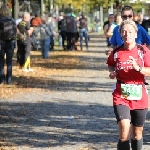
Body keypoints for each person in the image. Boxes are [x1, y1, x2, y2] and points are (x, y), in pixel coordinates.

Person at [107, 20, 150, 150]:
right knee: (124, 131)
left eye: (130, 31)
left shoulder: (143, 51)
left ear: (136, 34)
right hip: (121, 94)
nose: (127, 34)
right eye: (124, 32)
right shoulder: (116, 52)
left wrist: (138, 68)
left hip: (139, 93)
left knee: (137, 134)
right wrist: (112, 72)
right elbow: (110, 64)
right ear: (120, 34)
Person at [0, 5, 16, 84]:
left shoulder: (0, 20)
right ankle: (9, 80)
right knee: (9, 62)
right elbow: (15, 32)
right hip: (10, 42)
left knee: (1, 61)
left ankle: (1, 80)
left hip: (1, 42)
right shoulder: (12, 20)